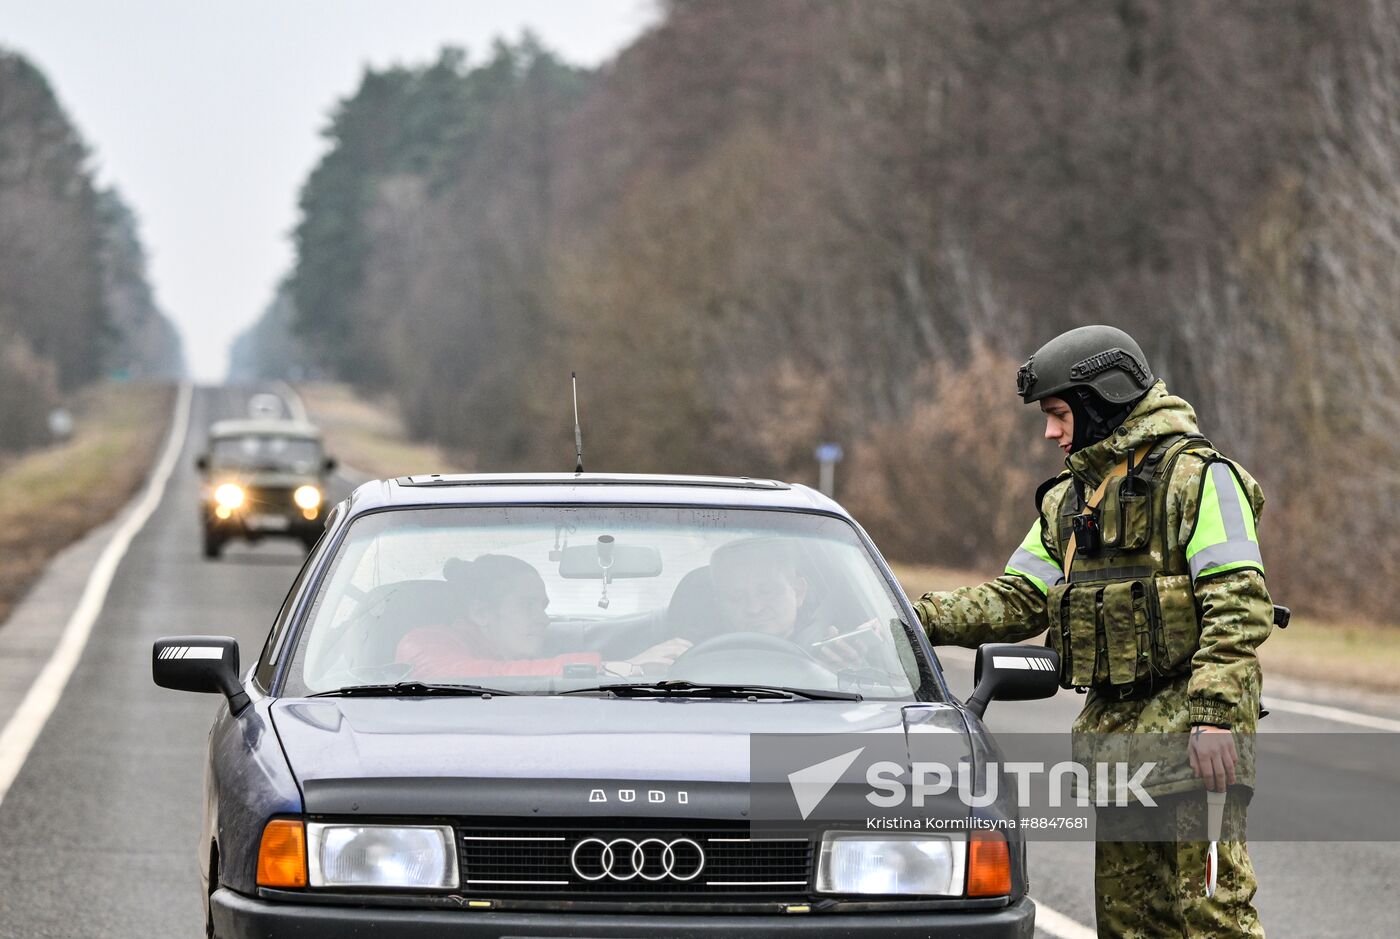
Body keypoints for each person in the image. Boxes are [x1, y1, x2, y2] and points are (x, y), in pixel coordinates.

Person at [912, 325, 1271, 937]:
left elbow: (1238, 606)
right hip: (1116, 749)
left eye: (1057, 414)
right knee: (1129, 924)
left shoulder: (1201, 479)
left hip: (1194, 744)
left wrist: (1214, 720)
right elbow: (1018, 597)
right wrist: (904, 615)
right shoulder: (1070, 501)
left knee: (1213, 919)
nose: (1050, 432)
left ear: (1099, 400)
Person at [397, 554, 689, 679]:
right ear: (481, 613)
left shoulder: (514, 657)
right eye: (528, 606)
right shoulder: (424, 643)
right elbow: (473, 678)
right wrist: (617, 668)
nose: (544, 619)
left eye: (544, 606)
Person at [709, 538, 871, 668]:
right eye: (736, 597)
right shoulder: (697, 659)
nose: (754, 608)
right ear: (720, 605)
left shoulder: (829, 651)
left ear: (798, 592)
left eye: (767, 591)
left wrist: (849, 669)